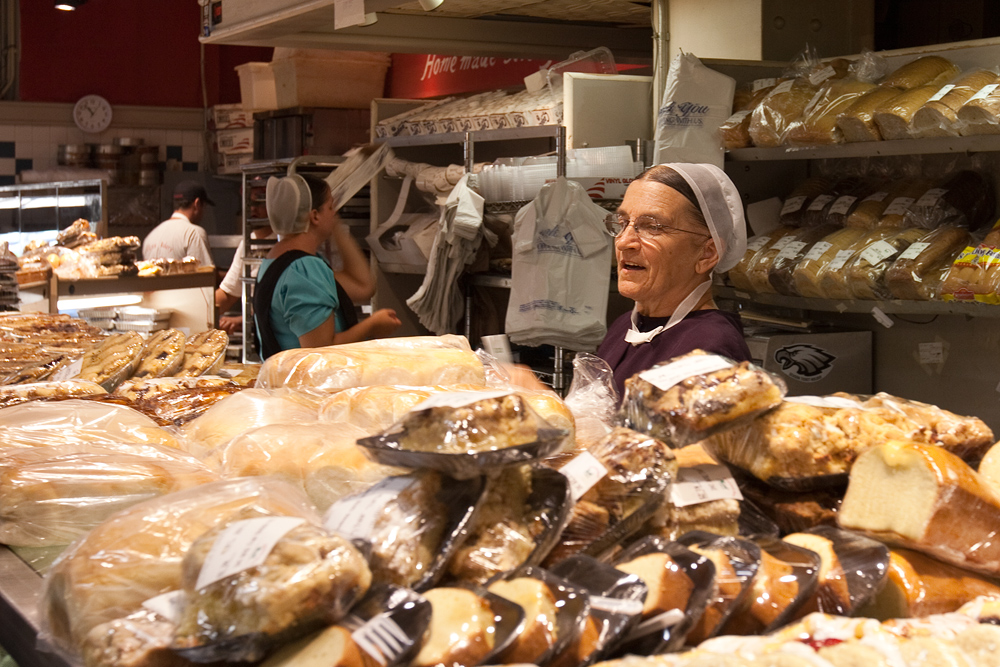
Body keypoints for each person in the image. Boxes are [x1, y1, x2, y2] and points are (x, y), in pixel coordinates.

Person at [596, 162, 752, 398]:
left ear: (707, 253)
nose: (623, 242)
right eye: (623, 223)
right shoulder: (625, 327)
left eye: (651, 227)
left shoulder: (711, 351)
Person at [254, 172, 401, 358]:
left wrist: (334, 226)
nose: (335, 214)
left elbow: (363, 287)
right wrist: (371, 326)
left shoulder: (277, 260)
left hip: (285, 382)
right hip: (305, 385)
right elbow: (318, 352)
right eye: (331, 207)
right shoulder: (305, 270)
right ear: (314, 216)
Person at [143, 181, 215, 267]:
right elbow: (205, 274)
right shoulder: (194, 233)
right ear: (197, 204)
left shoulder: (151, 236)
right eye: (204, 207)